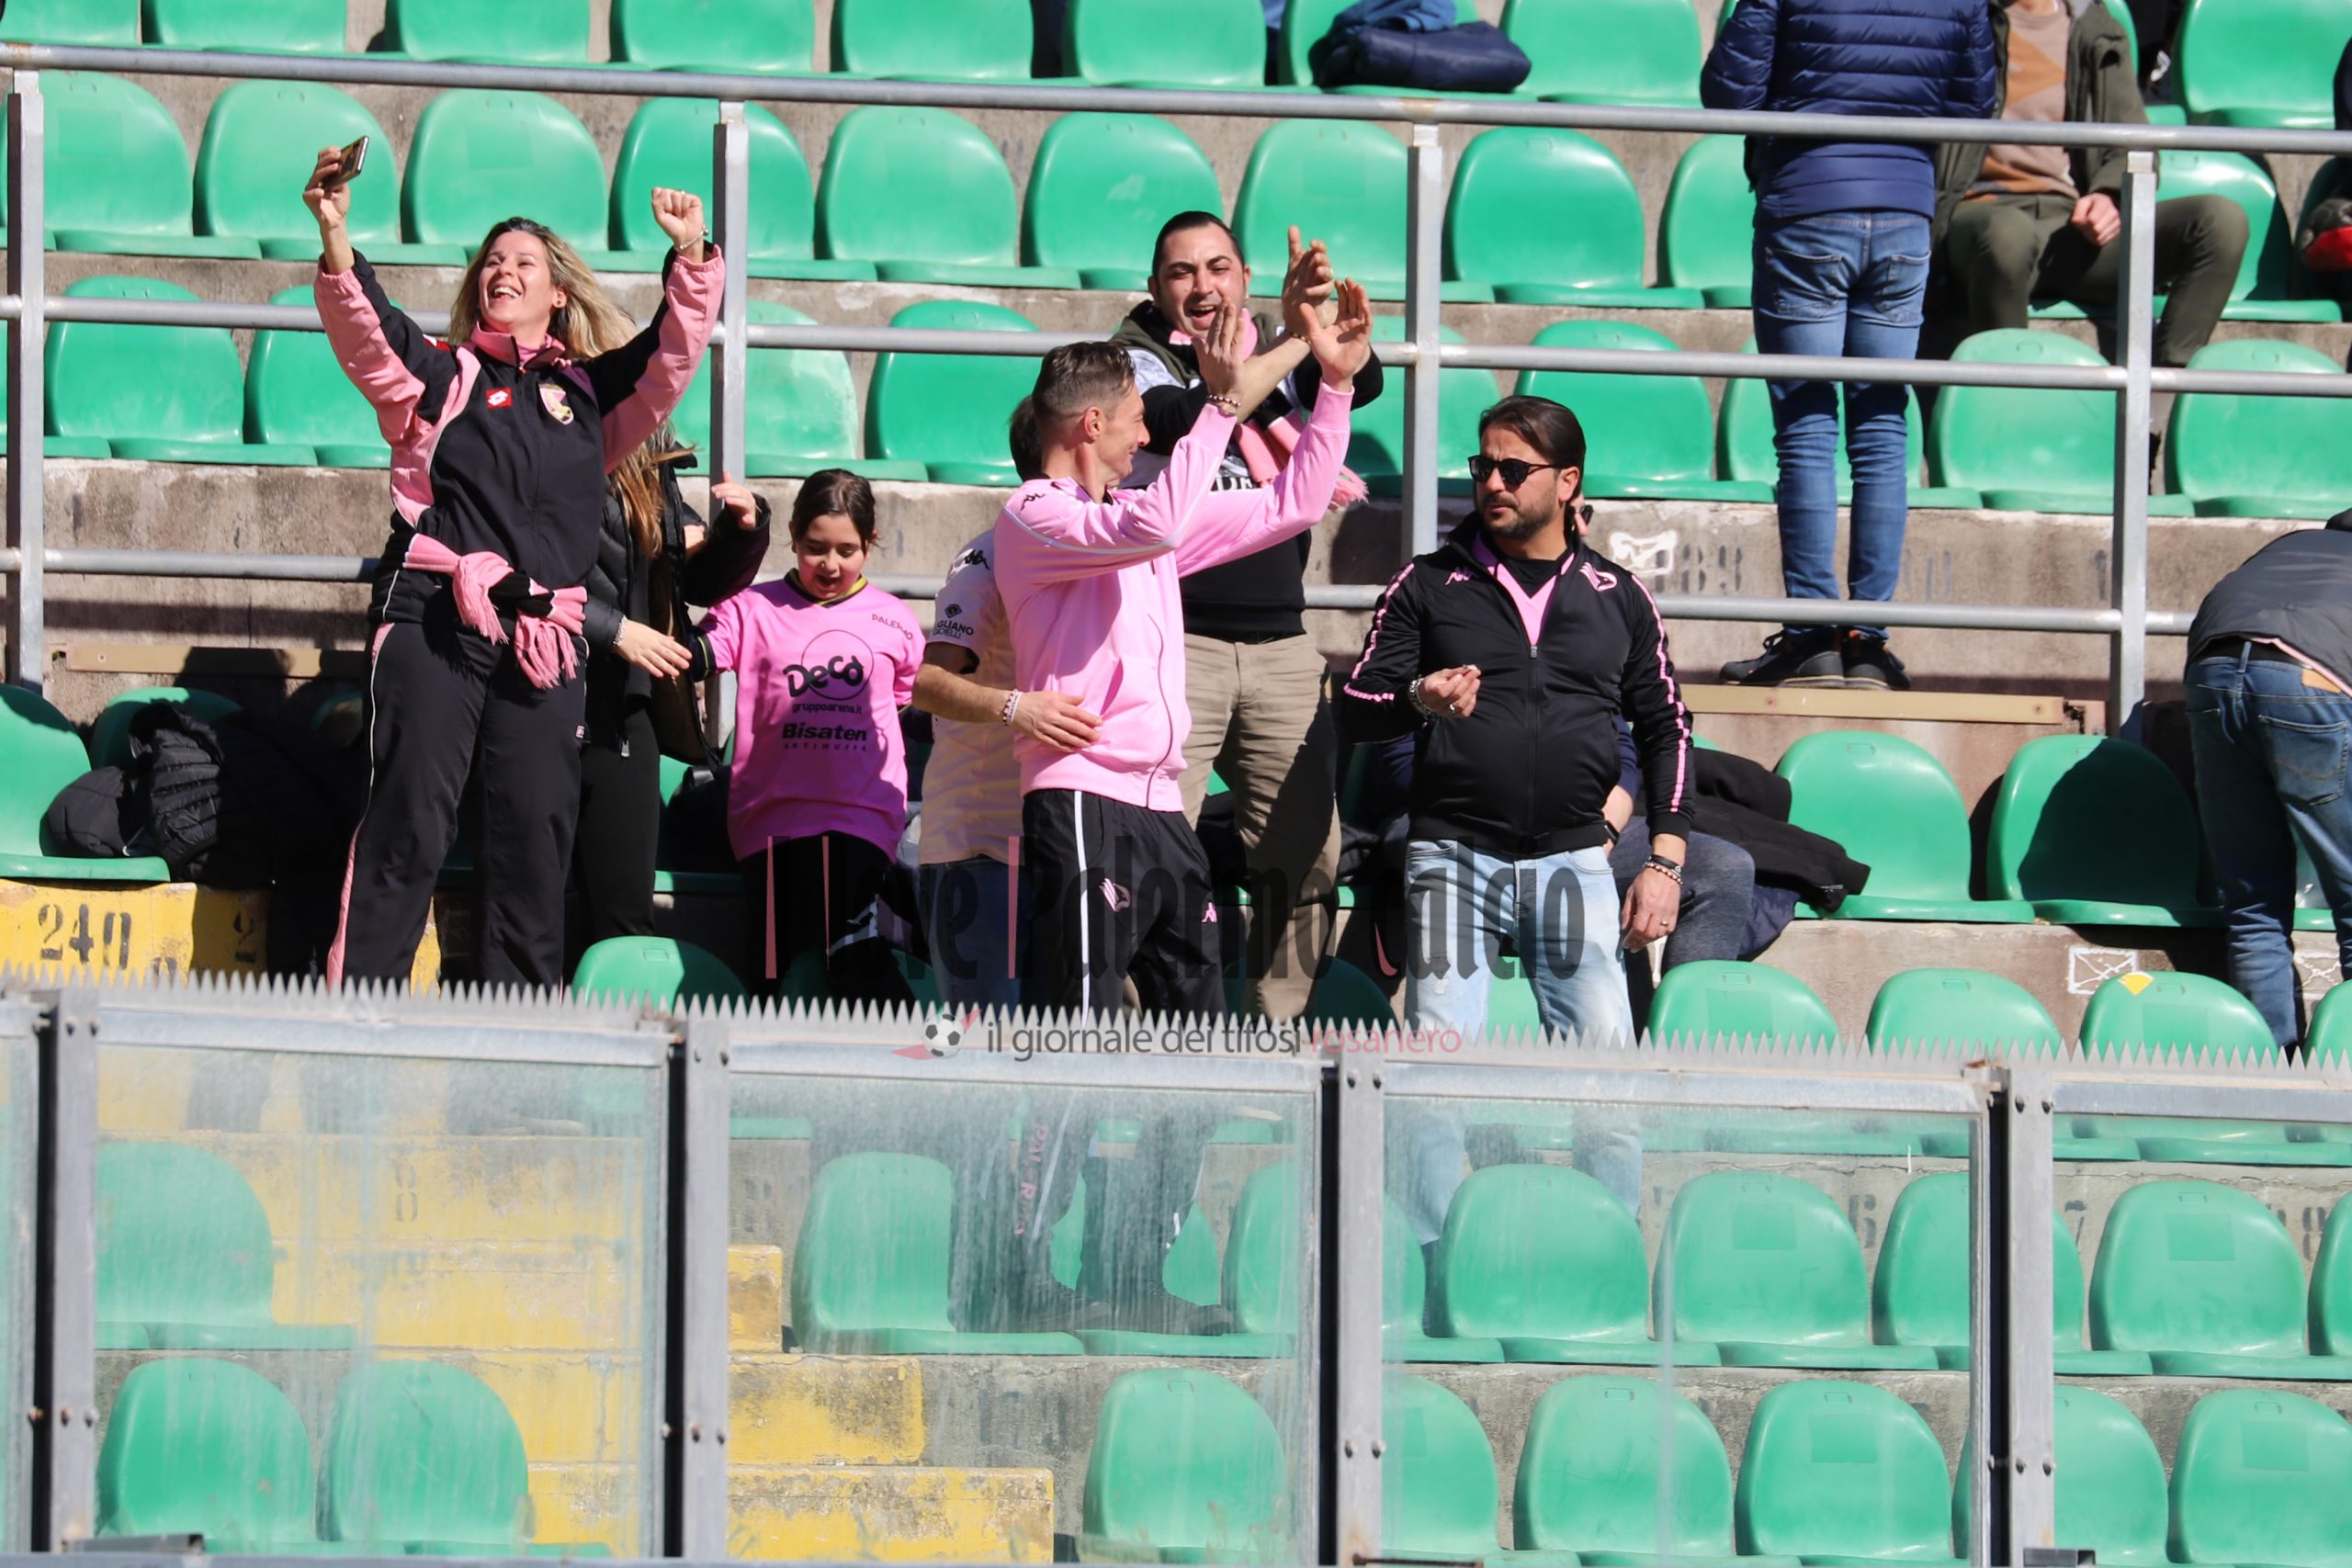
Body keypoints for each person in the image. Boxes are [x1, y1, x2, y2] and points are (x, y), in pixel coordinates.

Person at [307, 149, 720, 987]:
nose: (504, 270)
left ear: (556, 292)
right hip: (433, 613)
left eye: (524, 261)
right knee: (409, 823)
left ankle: (518, 1048)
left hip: (544, 638)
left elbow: (671, 354)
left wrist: (692, 256)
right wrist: (337, 237)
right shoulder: (445, 372)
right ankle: (355, 1025)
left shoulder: (592, 394)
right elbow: (369, 334)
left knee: (534, 840)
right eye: (493, 261)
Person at [993, 255, 1371, 1016]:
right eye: (1138, 416)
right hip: (1082, 794)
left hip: (1163, 805)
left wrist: (1333, 386)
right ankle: (1063, 1142)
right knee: (1084, 1020)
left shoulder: (1140, 520)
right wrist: (1222, 405)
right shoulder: (1035, 514)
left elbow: (1293, 505)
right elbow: (1157, 519)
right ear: (1092, 424)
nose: (1146, 432)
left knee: (1197, 1028)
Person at [1333, 394, 1693, 1045]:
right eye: (1483, 466)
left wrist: (1665, 861)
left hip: (1575, 861)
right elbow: (1356, 709)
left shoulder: (1622, 597)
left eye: (1514, 469)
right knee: (1438, 1080)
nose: (1492, 482)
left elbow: (1666, 727)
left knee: (1605, 1087)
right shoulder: (1424, 583)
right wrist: (1419, 698)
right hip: (1452, 859)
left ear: (1567, 482)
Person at [1112, 215, 1383, 1019]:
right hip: (1173, 641)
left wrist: (1315, 340)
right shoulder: (1129, 359)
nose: (1203, 288)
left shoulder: (1271, 340)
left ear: (1244, 275)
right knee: (1144, 858)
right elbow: (1193, 411)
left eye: (1219, 267)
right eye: (1183, 273)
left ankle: (1275, 1043)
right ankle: (1141, 1037)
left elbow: (1359, 381)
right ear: (1157, 289)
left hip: (1283, 650)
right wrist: (1304, 342)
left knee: (1306, 862)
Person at [1702, 0, 1997, 692]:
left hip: (1808, 202)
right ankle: (1867, 640)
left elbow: (1728, 91)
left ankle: (1812, 639)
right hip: (1904, 213)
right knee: (1882, 426)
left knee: (1806, 428)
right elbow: (1975, 103)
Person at [685, 470, 921, 1004]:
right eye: (815, 549)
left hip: (861, 818)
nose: (830, 566)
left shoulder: (897, 621)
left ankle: (932, 1054)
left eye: (847, 550)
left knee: (853, 955)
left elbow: (905, 703)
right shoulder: (751, 608)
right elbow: (694, 657)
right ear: (791, 536)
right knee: (774, 973)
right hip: (770, 822)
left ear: (870, 543)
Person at [1930, 0, 2249, 372]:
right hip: (1980, 219)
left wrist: (2108, 195)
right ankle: (2008, 396)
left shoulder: (2095, 25)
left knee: (2220, 221)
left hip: (2069, 229)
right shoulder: (1956, 18)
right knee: (2006, 234)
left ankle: (2163, 393)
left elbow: (2133, 140)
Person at [910, 405, 1102, 1010]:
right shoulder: (989, 555)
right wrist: (1018, 708)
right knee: (986, 1061)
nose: (1143, 446)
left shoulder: (1104, 553)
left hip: (1065, 846)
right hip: (983, 851)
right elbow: (930, 681)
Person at [572, 447, 770, 950]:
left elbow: (691, 578)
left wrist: (738, 533)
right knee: (533, 903)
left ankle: (617, 1025)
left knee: (624, 913)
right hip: (538, 693)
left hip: (624, 700)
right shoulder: (539, 427)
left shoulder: (648, 455)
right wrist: (615, 631)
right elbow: (521, 568)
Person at [2183, 511, 2352, 1050]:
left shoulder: (2298, 546)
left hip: (2214, 674)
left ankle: (2269, 1075)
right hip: (2309, 678)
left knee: (2254, 906)